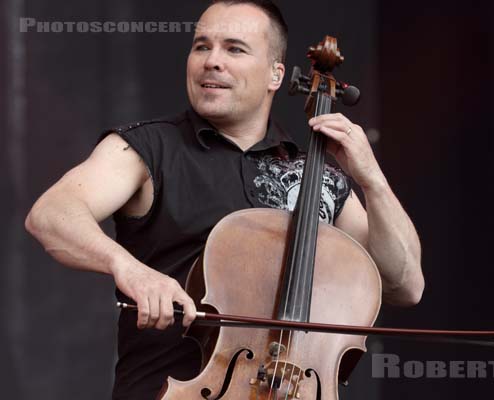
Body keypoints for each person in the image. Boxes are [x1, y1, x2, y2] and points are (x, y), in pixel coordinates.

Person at [25, 0, 424, 398]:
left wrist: (372, 180)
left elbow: (404, 284)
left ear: (275, 75)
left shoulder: (317, 174)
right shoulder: (148, 148)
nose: (211, 61)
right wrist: (129, 268)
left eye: (234, 48)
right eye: (202, 46)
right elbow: (52, 214)